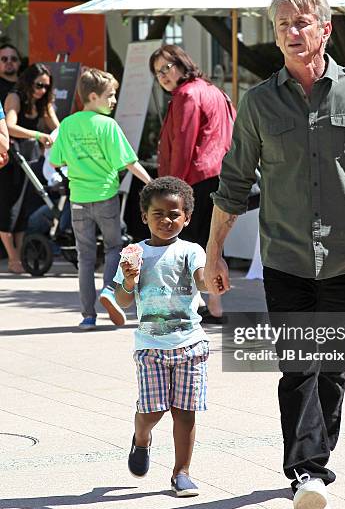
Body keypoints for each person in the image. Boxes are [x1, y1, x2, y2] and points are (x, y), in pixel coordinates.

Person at [203, 0, 345, 509]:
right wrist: (214, 255)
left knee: (333, 366)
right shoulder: (258, 103)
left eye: (302, 23)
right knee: (300, 365)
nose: (292, 33)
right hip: (286, 258)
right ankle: (307, 469)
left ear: (324, 29)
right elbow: (233, 183)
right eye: (282, 26)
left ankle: (315, 459)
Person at [114, 177, 209, 496]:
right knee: (153, 410)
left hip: (191, 345)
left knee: (185, 411)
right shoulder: (133, 253)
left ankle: (181, 472)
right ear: (144, 216)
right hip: (150, 347)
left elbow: (202, 279)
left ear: (187, 217)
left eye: (174, 214)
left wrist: (212, 281)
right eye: (158, 214)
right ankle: (141, 438)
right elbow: (123, 301)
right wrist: (128, 280)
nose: (167, 220)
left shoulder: (191, 251)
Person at [49, 68, 152, 330]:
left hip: (78, 200)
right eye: (110, 96)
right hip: (106, 197)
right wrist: (152, 183)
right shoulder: (108, 125)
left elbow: (56, 160)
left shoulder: (68, 124)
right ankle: (109, 292)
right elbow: (129, 162)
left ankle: (87, 316)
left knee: (84, 257)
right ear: (93, 96)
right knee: (113, 249)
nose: (113, 101)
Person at [150, 44, 235, 324]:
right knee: (212, 244)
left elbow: (183, 145)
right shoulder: (214, 91)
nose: (162, 75)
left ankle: (191, 305)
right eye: (157, 72)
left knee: (188, 245)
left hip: (196, 178)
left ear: (181, 63)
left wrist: (169, 187)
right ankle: (214, 305)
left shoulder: (187, 94)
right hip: (220, 176)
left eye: (166, 67)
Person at [1, 63, 59, 273]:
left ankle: (20, 254)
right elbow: (9, 126)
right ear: (28, 81)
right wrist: (38, 135)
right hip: (11, 157)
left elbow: (56, 126)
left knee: (24, 208)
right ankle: (12, 256)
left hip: (31, 159)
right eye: (38, 85)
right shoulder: (15, 97)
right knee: (9, 208)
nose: (42, 90)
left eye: (46, 86)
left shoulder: (43, 101)